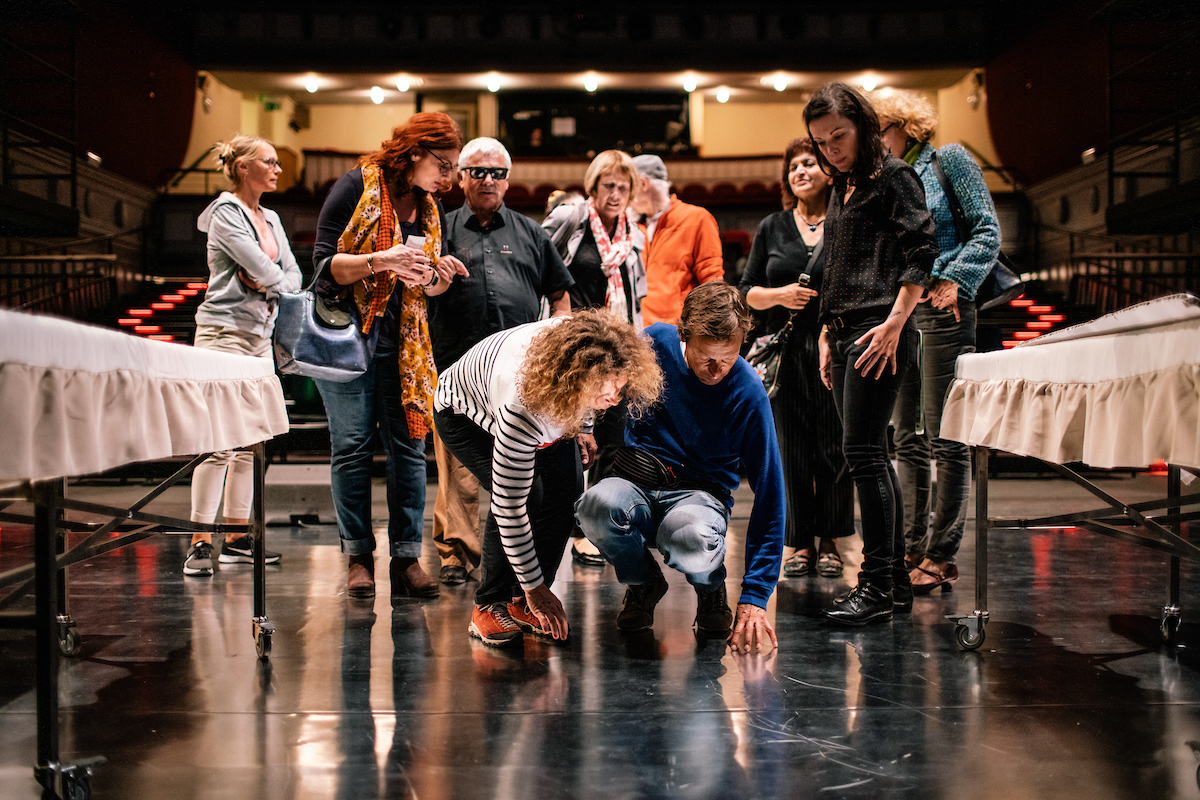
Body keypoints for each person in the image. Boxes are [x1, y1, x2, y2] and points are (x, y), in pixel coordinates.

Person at [575, 281, 786, 654]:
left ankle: (710, 590)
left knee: (687, 536)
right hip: (638, 480)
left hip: (700, 494)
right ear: (685, 336)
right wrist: (584, 424)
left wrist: (755, 594)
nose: (717, 369)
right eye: (707, 357)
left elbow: (770, 493)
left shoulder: (748, 390)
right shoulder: (656, 344)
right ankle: (643, 584)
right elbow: (603, 378)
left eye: (729, 356)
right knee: (594, 506)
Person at [433, 310, 662, 646]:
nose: (615, 398)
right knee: (527, 496)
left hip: (551, 399)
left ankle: (521, 600)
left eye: (620, 385)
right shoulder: (522, 408)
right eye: (608, 388)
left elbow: (592, 374)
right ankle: (489, 603)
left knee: (569, 491)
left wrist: (584, 426)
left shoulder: (584, 352)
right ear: (576, 379)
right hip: (463, 412)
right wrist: (536, 587)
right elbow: (510, 507)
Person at [311, 112, 468, 600]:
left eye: (452, 169)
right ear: (414, 153)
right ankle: (358, 556)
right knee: (353, 448)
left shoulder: (429, 208)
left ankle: (406, 558)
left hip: (406, 347)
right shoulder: (357, 185)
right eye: (443, 165)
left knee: (408, 450)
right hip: (348, 340)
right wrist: (381, 260)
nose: (448, 178)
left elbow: (426, 285)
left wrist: (436, 277)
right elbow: (321, 268)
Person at [805, 83, 939, 626]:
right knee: (866, 455)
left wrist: (894, 324)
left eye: (839, 135)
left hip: (877, 326)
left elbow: (922, 253)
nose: (831, 149)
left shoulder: (894, 177)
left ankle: (878, 585)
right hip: (843, 329)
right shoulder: (843, 186)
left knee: (863, 453)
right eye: (821, 141)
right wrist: (822, 334)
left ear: (862, 124)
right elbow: (832, 268)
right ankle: (894, 585)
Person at [427, 137, 575, 586]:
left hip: (519, 374)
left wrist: (558, 341)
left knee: (515, 477)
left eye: (496, 173)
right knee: (459, 470)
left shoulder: (532, 233)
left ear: (508, 180)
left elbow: (560, 294)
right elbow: (421, 290)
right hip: (460, 372)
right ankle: (455, 553)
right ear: (461, 179)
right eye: (477, 172)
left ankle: (505, 570)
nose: (488, 180)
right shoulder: (443, 228)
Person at [871, 91, 1002, 595]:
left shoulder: (948, 160)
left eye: (881, 130)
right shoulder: (881, 180)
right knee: (905, 437)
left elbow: (987, 231)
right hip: (901, 314)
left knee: (946, 438)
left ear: (906, 126)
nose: (876, 142)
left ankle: (941, 555)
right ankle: (910, 546)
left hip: (946, 307)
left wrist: (955, 278)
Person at [184, 135, 302, 577]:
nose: (277, 169)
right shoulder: (225, 213)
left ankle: (235, 538)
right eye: (268, 162)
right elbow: (263, 268)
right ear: (243, 168)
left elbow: (291, 274)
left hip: (260, 336)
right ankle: (199, 541)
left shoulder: (270, 216)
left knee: (251, 441)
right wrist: (271, 278)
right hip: (223, 333)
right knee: (217, 442)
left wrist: (271, 280)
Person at [738, 137, 855, 580]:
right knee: (790, 452)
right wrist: (781, 295)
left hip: (833, 346)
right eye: (793, 167)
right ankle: (800, 543)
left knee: (834, 449)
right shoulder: (772, 225)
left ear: (829, 169)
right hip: (783, 350)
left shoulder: (845, 219)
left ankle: (831, 542)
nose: (800, 171)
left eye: (809, 163)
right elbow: (747, 289)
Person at [542, 150, 648, 566]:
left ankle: (592, 525)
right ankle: (564, 524)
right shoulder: (571, 218)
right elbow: (542, 263)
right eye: (609, 186)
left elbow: (637, 296)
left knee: (612, 439)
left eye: (623, 187)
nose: (616, 194)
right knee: (571, 439)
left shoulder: (635, 234)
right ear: (593, 187)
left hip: (617, 350)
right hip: (576, 348)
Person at [630, 154, 724, 327]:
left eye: (628, 187)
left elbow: (712, 282)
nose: (625, 197)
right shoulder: (631, 225)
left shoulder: (697, 218)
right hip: (635, 331)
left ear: (643, 184)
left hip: (676, 331)